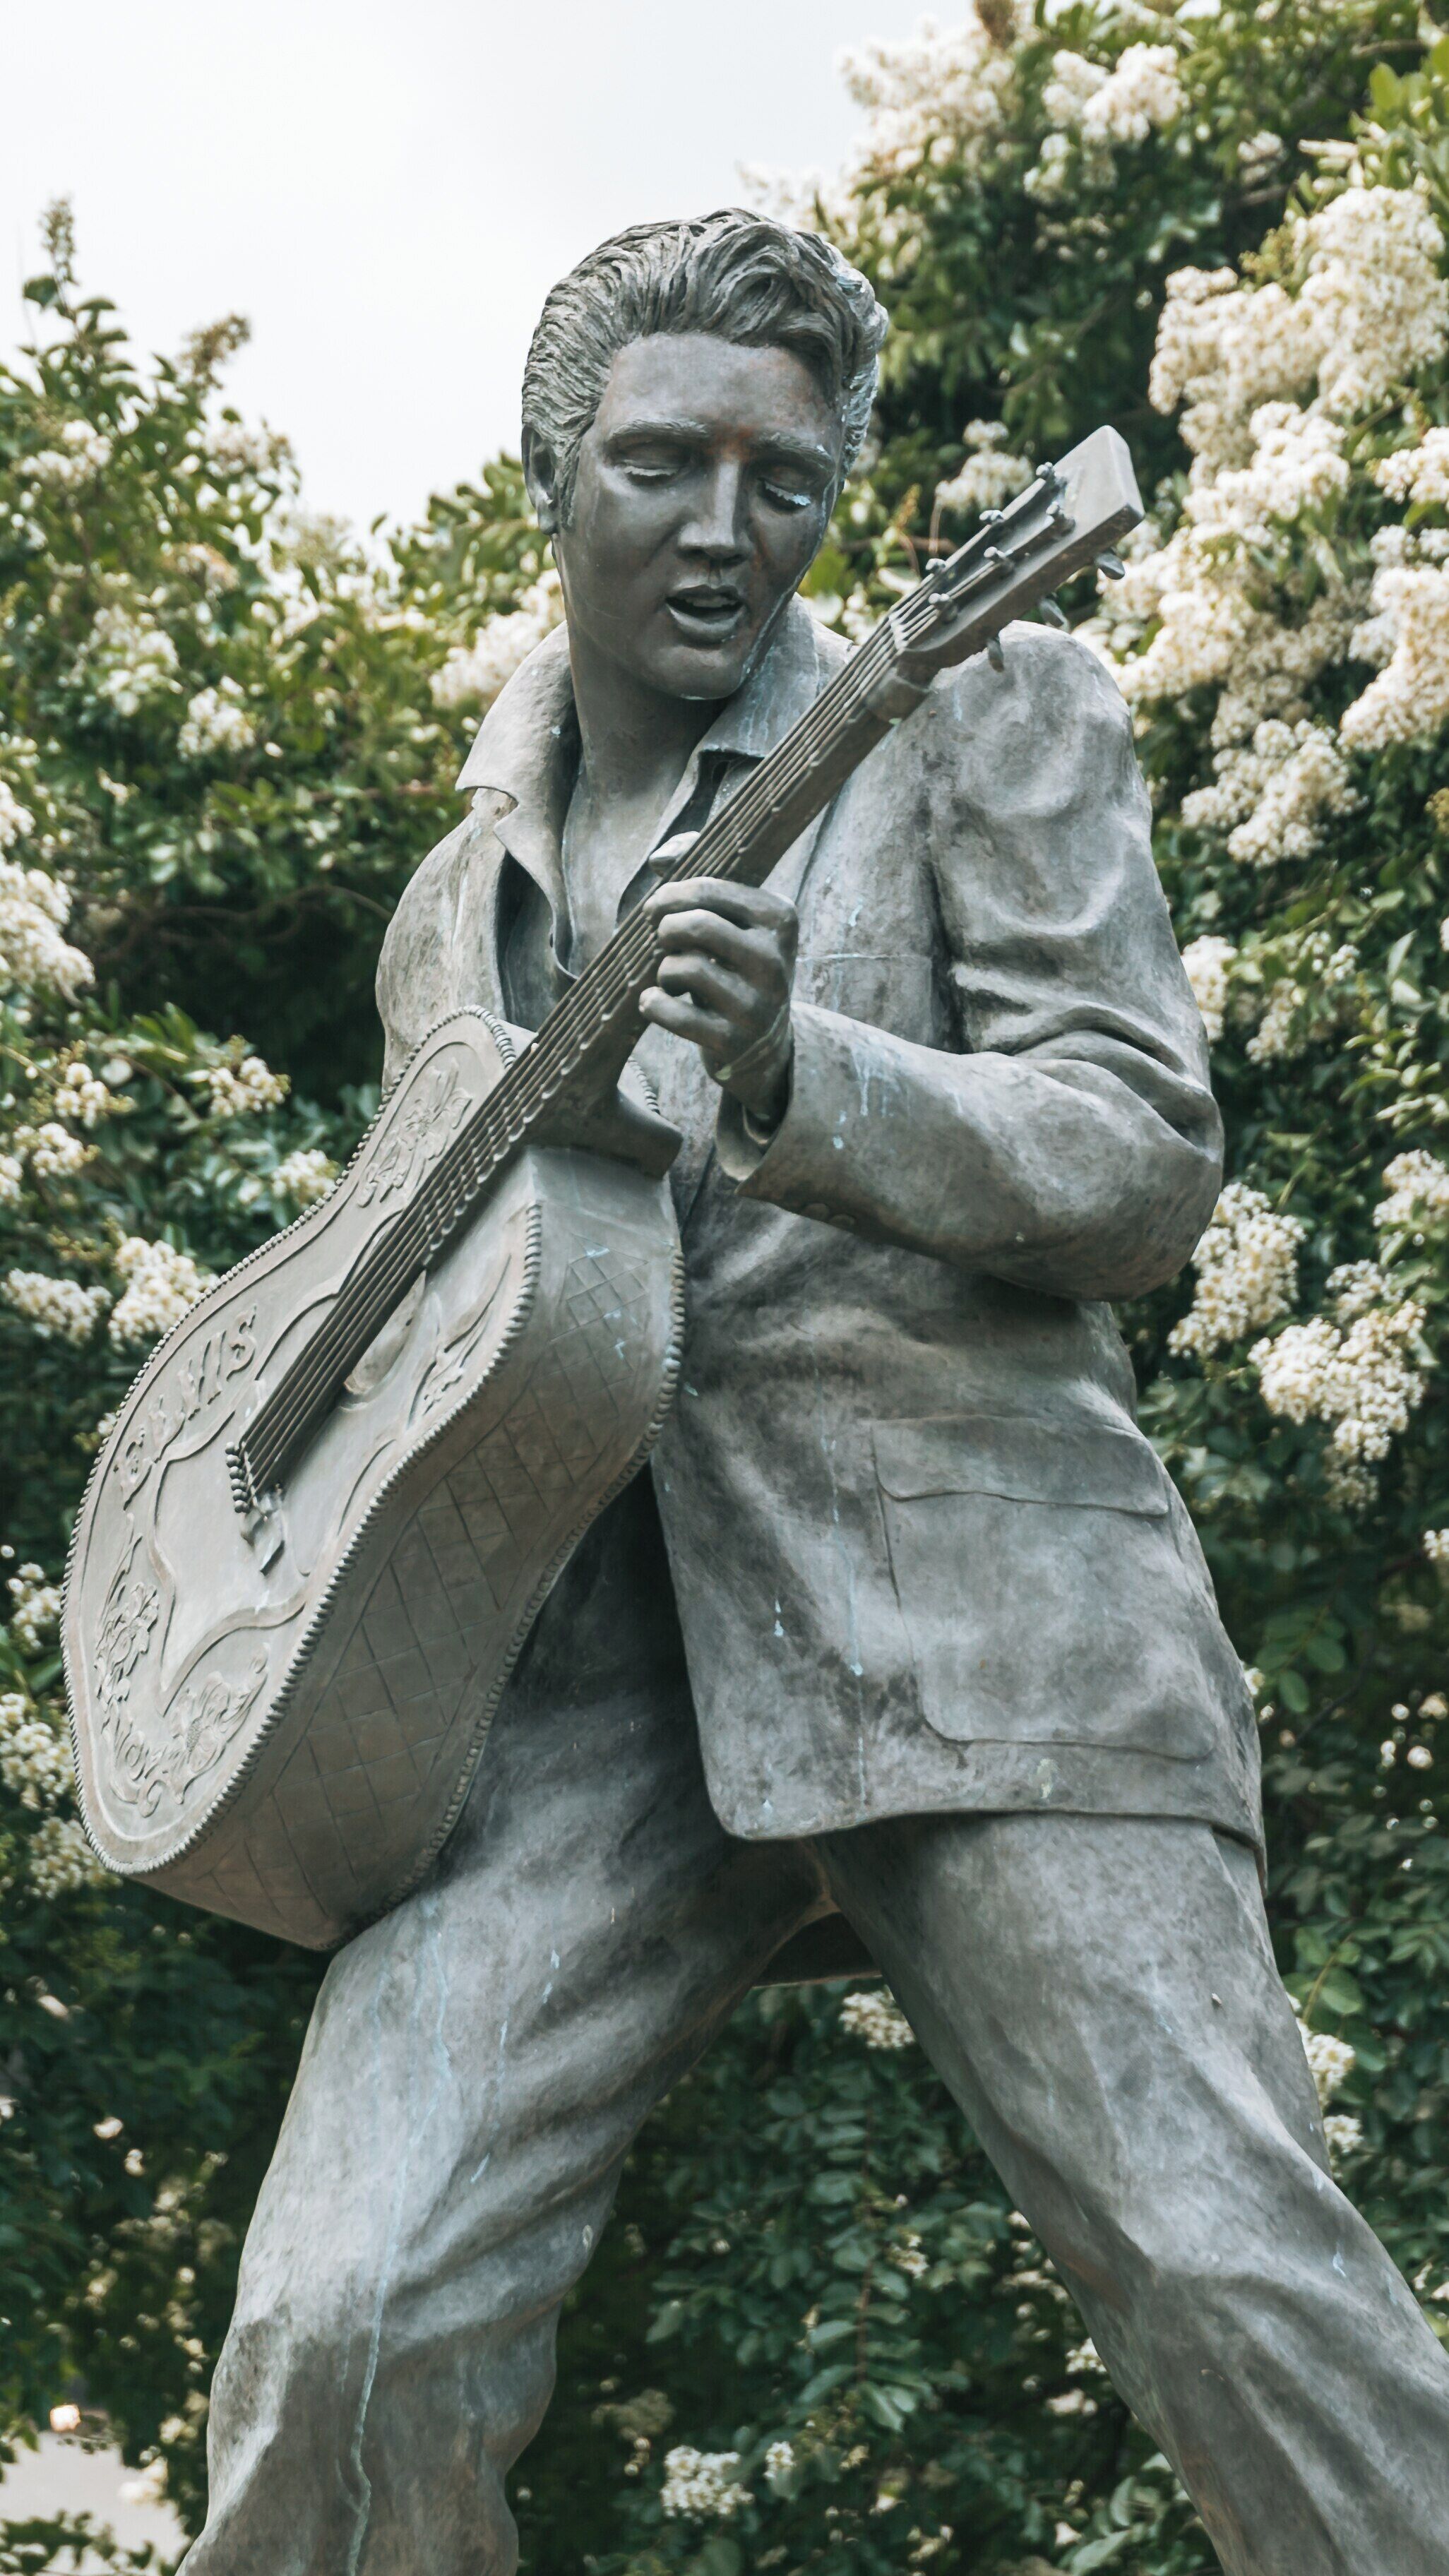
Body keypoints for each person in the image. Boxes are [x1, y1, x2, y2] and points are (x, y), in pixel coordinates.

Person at [182, 211, 1449, 2576]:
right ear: (548, 475)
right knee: (339, 2327)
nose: (723, 527)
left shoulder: (986, 706)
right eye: (662, 462)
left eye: (782, 480)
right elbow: (433, 1293)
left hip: (973, 1609)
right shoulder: (447, 903)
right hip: (561, 1676)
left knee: (1220, 2269)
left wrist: (796, 1064)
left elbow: (1135, 1159)